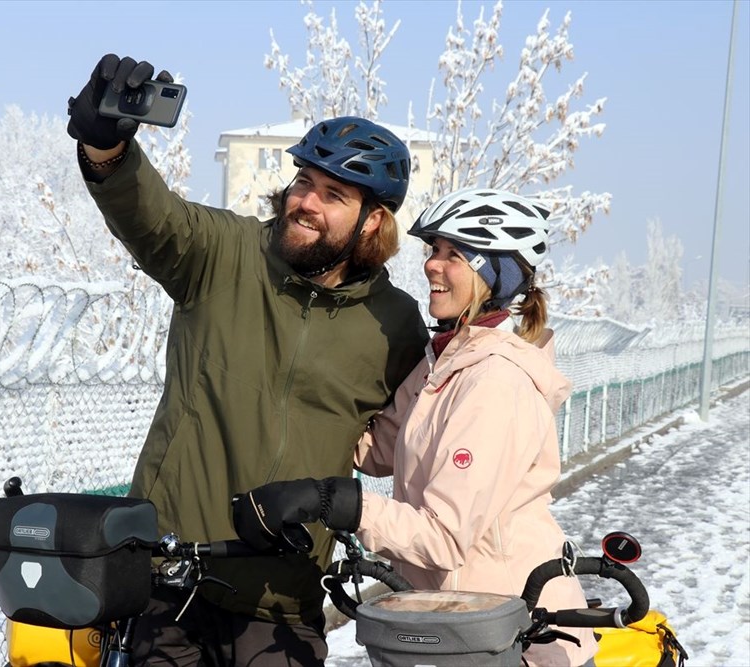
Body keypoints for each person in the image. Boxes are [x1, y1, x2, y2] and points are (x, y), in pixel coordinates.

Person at [66, 53, 428, 665]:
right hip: (167, 578)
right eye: (303, 182)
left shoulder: (393, 325)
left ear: (373, 224)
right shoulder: (224, 254)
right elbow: (149, 215)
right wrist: (106, 150)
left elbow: (421, 435)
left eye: (333, 194)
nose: (305, 202)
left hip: (281, 599)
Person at [233, 187, 600, 666]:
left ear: (495, 275)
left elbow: (442, 536)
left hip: (511, 637)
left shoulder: (495, 382)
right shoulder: (444, 360)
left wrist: (338, 502)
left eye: (454, 255)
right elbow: (373, 450)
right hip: (457, 629)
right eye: (433, 251)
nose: (432, 265)